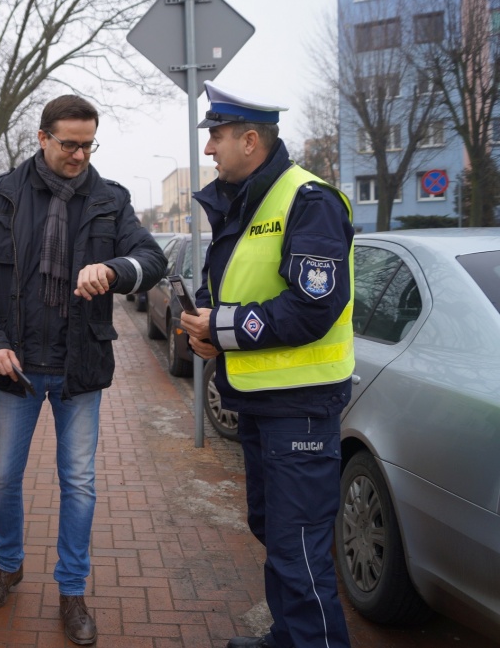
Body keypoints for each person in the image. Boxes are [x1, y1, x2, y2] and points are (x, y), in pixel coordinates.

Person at [0, 95, 166, 645]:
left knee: (78, 484)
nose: (79, 154)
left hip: (80, 366)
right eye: (69, 143)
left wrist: (116, 269)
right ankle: (9, 565)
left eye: (88, 143)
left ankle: (72, 590)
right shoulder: (0, 195)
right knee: (3, 477)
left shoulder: (109, 199)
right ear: (43, 138)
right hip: (16, 367)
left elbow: (151, 258)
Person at [179, 81, 354, 648]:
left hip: (300, 407)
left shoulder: (310, 201)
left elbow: (313, 307)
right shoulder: (250, 199)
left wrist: (223, 329)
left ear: (250, 140)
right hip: (263, 403)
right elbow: (242, 287)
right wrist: (212, 333)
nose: (209, 150)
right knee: (275, 535)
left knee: (300, 553)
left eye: (218, 137)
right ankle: (288, 637)